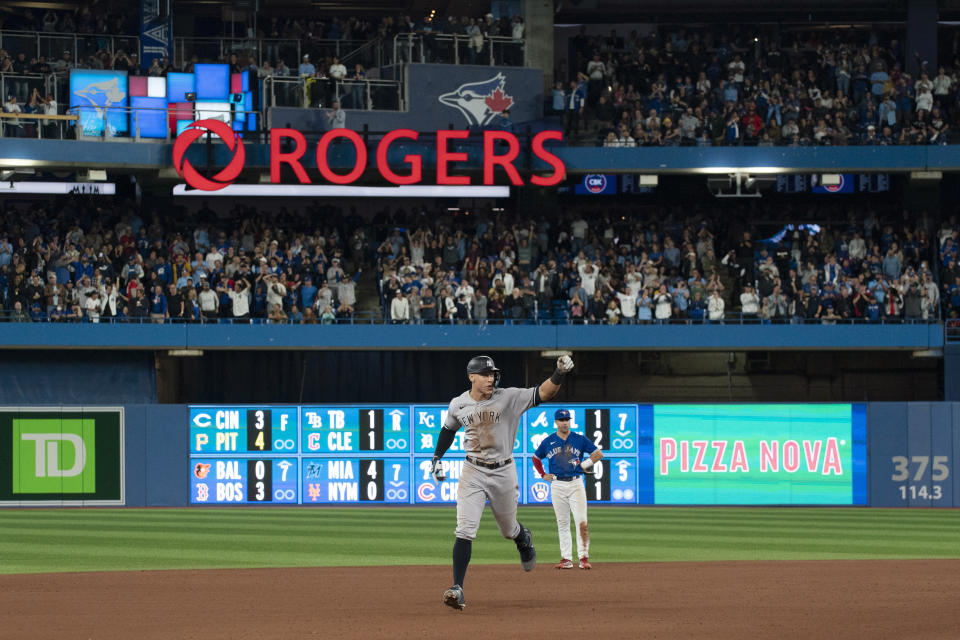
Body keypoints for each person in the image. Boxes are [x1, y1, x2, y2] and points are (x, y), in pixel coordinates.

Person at [433, 354, 575, 610]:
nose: (491, 378)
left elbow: (544, 393)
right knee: (465, 529)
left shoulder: (509, 397)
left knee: (508, 529)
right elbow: (448, 430)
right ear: (471, 377)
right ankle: (457, 588)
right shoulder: (458, 404)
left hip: (503, 472)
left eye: (493, 374)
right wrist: (436, 457)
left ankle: (522, 537)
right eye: (485, 374)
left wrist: (559, 373)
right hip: (472, 470)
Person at [532, 408, 603, 570]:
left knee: (582, 521)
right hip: (557, 484)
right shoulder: (548, 441)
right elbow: (536, 458)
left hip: (576, 483)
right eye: (562, 420)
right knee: (562, 522)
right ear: (556, 422)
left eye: (567, 419)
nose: (565, 422)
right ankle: (566, 559)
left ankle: (583, 557)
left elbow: (598, 454)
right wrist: (543, 474)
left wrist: (585, 464)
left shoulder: (579, 439)